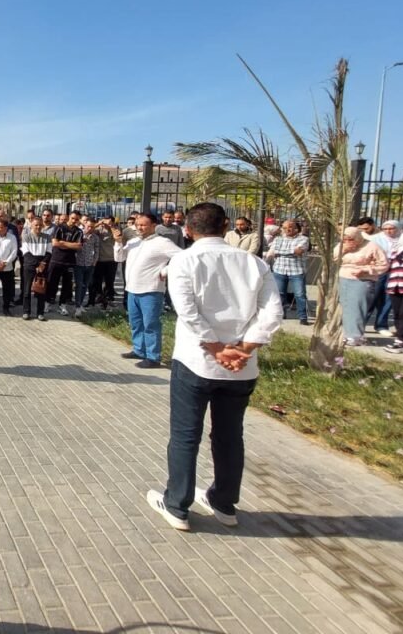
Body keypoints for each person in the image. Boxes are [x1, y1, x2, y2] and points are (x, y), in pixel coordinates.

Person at [146, 202, 283, 532]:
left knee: (185, 435)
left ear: (187, 230)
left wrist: (217, 348)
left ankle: (177, 505)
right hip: (241, 367)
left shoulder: (184, 260)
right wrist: (245, 348)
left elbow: (187, 310)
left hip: (196, 362)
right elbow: (272, 313)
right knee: (230, 436)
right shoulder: (253, 263)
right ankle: (224, 502)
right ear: (226, 226)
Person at [113, 212, 182, 368]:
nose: (139, 228)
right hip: (132, 289)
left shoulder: (162, 242)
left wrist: (165, 270)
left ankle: (153, 356)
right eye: (137, 225)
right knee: (135, 322)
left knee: (150, 324)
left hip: (151, 290)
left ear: (153, 226)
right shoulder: (134, 242)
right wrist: (118, 243)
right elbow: (119, 258)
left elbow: (183, 257)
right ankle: (139, 349)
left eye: (143, 225)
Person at [337, 227, 388, 347]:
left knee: (358, 307)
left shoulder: (372, 246)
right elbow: (334, 258)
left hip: (362, 280)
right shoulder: (343, 245)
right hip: (344, 278)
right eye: (345, 239)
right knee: (346, 306)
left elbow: (384, 265)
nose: (348, 241)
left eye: (351, 239)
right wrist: (344, 249)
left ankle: (356, 336)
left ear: (358, 237)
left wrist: (366, 270)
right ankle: (347, 334)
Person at [265, 220, 311, 325]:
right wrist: (292, 252)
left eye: (290, 227)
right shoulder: (278, 239)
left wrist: (280, 252)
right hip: (279, 270)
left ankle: (303, 317)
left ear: (296, 228)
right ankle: (281, 315)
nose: (287, 229)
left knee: (300, 294)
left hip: (297, 270)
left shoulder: (303, 239)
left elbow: (299, 252)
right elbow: (273, 252)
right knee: (279, 294)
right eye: (284, 228)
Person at [359, 217, 395, 336]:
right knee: (371, 298)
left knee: (388, 299)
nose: (389, 231)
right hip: (377, 271)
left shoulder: (401, 240)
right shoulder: (375, 239)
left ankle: (381, 325)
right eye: (386, 228)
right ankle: (360, 324)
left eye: (392, 228)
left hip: (394, 272)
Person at [47, 211, 83, 316]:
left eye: (77, 219)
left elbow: (79, 246)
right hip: (56, 259)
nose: (74, 221)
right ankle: (47, 303)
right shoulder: (59, 227)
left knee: (66, 285)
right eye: (72, 218)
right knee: (52, 283)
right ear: (69, 217)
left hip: (70, 262)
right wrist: (71, 245)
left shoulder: (79, 231)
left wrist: (63, 243)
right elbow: (55, 243)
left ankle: (62, 305)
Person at [19, 216, 51, 322]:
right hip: (30, 265)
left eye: (40, 225)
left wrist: (42, 264)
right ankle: (26, 312)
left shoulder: (47, 237)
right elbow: (26, 253)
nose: (38, 227)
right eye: (36, 225)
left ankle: (40, 313)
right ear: (31, 225)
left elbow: (49, 252)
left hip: (43, 265)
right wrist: (38, 265)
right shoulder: (26, 237)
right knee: (27, 290)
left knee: (41, 290)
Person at [383, 228, 403, 354]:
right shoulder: (397, 248)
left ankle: (402, 341)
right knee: (397, 313)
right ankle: (400, 339)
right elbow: (389, 266)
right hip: (395, 285)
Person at [74, 216, 101, 317]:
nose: (90, 228)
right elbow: (74, 247)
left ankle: (80, 304)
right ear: (85, 225)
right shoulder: (79, 234)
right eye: (88, 226)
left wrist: (94, 261)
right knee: (79, 285)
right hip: (79, 263)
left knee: (85, 285)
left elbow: (97, 250)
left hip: (90, 264)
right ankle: (77, 306)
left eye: (92, 227)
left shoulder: (95, 237)